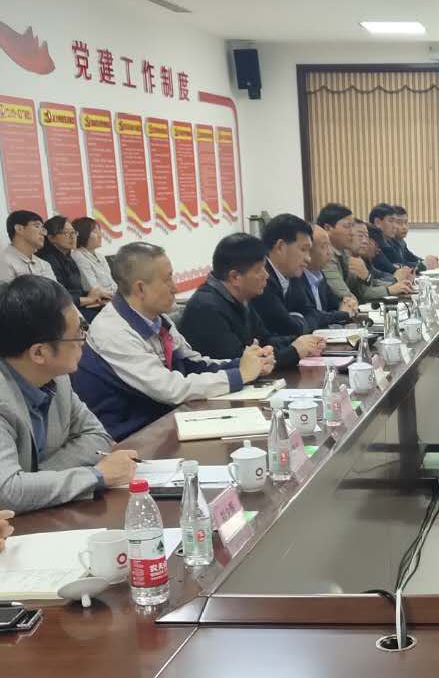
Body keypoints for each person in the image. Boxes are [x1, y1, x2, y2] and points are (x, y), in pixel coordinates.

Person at [73, 242, 272, 440]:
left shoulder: (156, 318)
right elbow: (171, 389)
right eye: (167, 279)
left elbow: (193, 363)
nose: (175, 288)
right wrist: (240, 375)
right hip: (126, 439)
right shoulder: (113, 331)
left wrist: (246, 364)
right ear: (141, 288)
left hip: (161, 423)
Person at [0, 276, 137, 512]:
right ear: (39, 353)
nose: (84, 340)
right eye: (78, 333)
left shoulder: (57, 377)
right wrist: (96, 476)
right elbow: (7, 493)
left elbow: (98, 436)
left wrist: (35, 479)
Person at [178, 233, 324, 371]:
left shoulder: (240, 297)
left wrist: (303, 341)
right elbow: (240, 364)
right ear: (235, 277)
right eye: (259, 270)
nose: (266, 275)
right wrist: (294, 351)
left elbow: (264, 339)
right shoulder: (206, 309)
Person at [316, 204, 410, 303]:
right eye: (347, 226)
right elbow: (346, 297)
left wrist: (392, 285)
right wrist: (391, 287)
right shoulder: (326, 257)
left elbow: (360, 289)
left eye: (352, 227)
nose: (352, 233)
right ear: (327, 228)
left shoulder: (344, 254)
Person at [254, 214, 322, 336]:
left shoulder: (292, 275)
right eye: (303, 250)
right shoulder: (261, 279)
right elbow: (288, 328)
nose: (308, 259)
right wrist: (300, 319)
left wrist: (298, 319)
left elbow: (312, 313)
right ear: (280, 246)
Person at [286, 224, 358, 330]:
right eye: (324, 246)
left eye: (330, 246)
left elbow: (334, 303)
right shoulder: (295, 278)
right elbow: (313, 316)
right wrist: (343, 314)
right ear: (309, 249)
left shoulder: (319, 275)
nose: (330, 252)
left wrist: (347, 304)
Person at [40, 216, 110, 318]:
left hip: (80, 306)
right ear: (51, 238)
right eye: (66, 233)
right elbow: (59, 298)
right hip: (65, 312)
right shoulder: (48, 261)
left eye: (73, 232)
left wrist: (95, 295)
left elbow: (77, 291)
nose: (72, 237)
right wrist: (89, 299)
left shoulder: (69, 257)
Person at [1, 211, 56, 283]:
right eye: (37, 226)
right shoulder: (3, 262)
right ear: (19, 229)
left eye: (43, 229)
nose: (43, 233)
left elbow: (55, 289)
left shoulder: (44, 264)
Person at [71, 216, 115, 296]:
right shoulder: (78, 256)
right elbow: (93, 288)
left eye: (99, 231)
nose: (100, 235)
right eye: (95, 232)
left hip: (112, 296)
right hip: (99, 300)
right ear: (83, 234)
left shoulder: (100, 256)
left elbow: (112, 282)